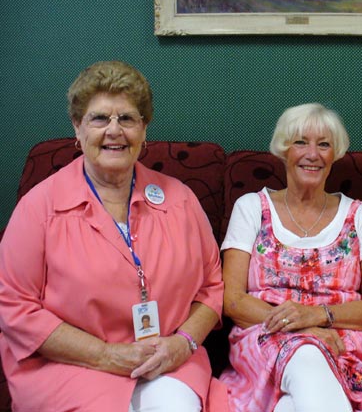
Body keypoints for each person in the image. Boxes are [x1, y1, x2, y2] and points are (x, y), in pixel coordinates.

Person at [0, 61, 228, 411]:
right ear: (77, 128)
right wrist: (106, 355)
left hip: (167, 360)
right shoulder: (39, 209)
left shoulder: (180, 199)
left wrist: (183, 343)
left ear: (144, 129)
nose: (114, 130)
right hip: (69, 367)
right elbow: (14, 306)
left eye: (127, 118)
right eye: (99, 118)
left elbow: (213, 286)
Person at [219, 103, 362, 412]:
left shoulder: (360, 217)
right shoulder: (251, 208)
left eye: (324, 144)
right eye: (300, 142)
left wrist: (318, 317)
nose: (312, 154)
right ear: (283, 150)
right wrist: (301, 328)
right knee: (306, 354)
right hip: (265, 333)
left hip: (341, 339)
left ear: (335, 154)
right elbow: (233, 300)